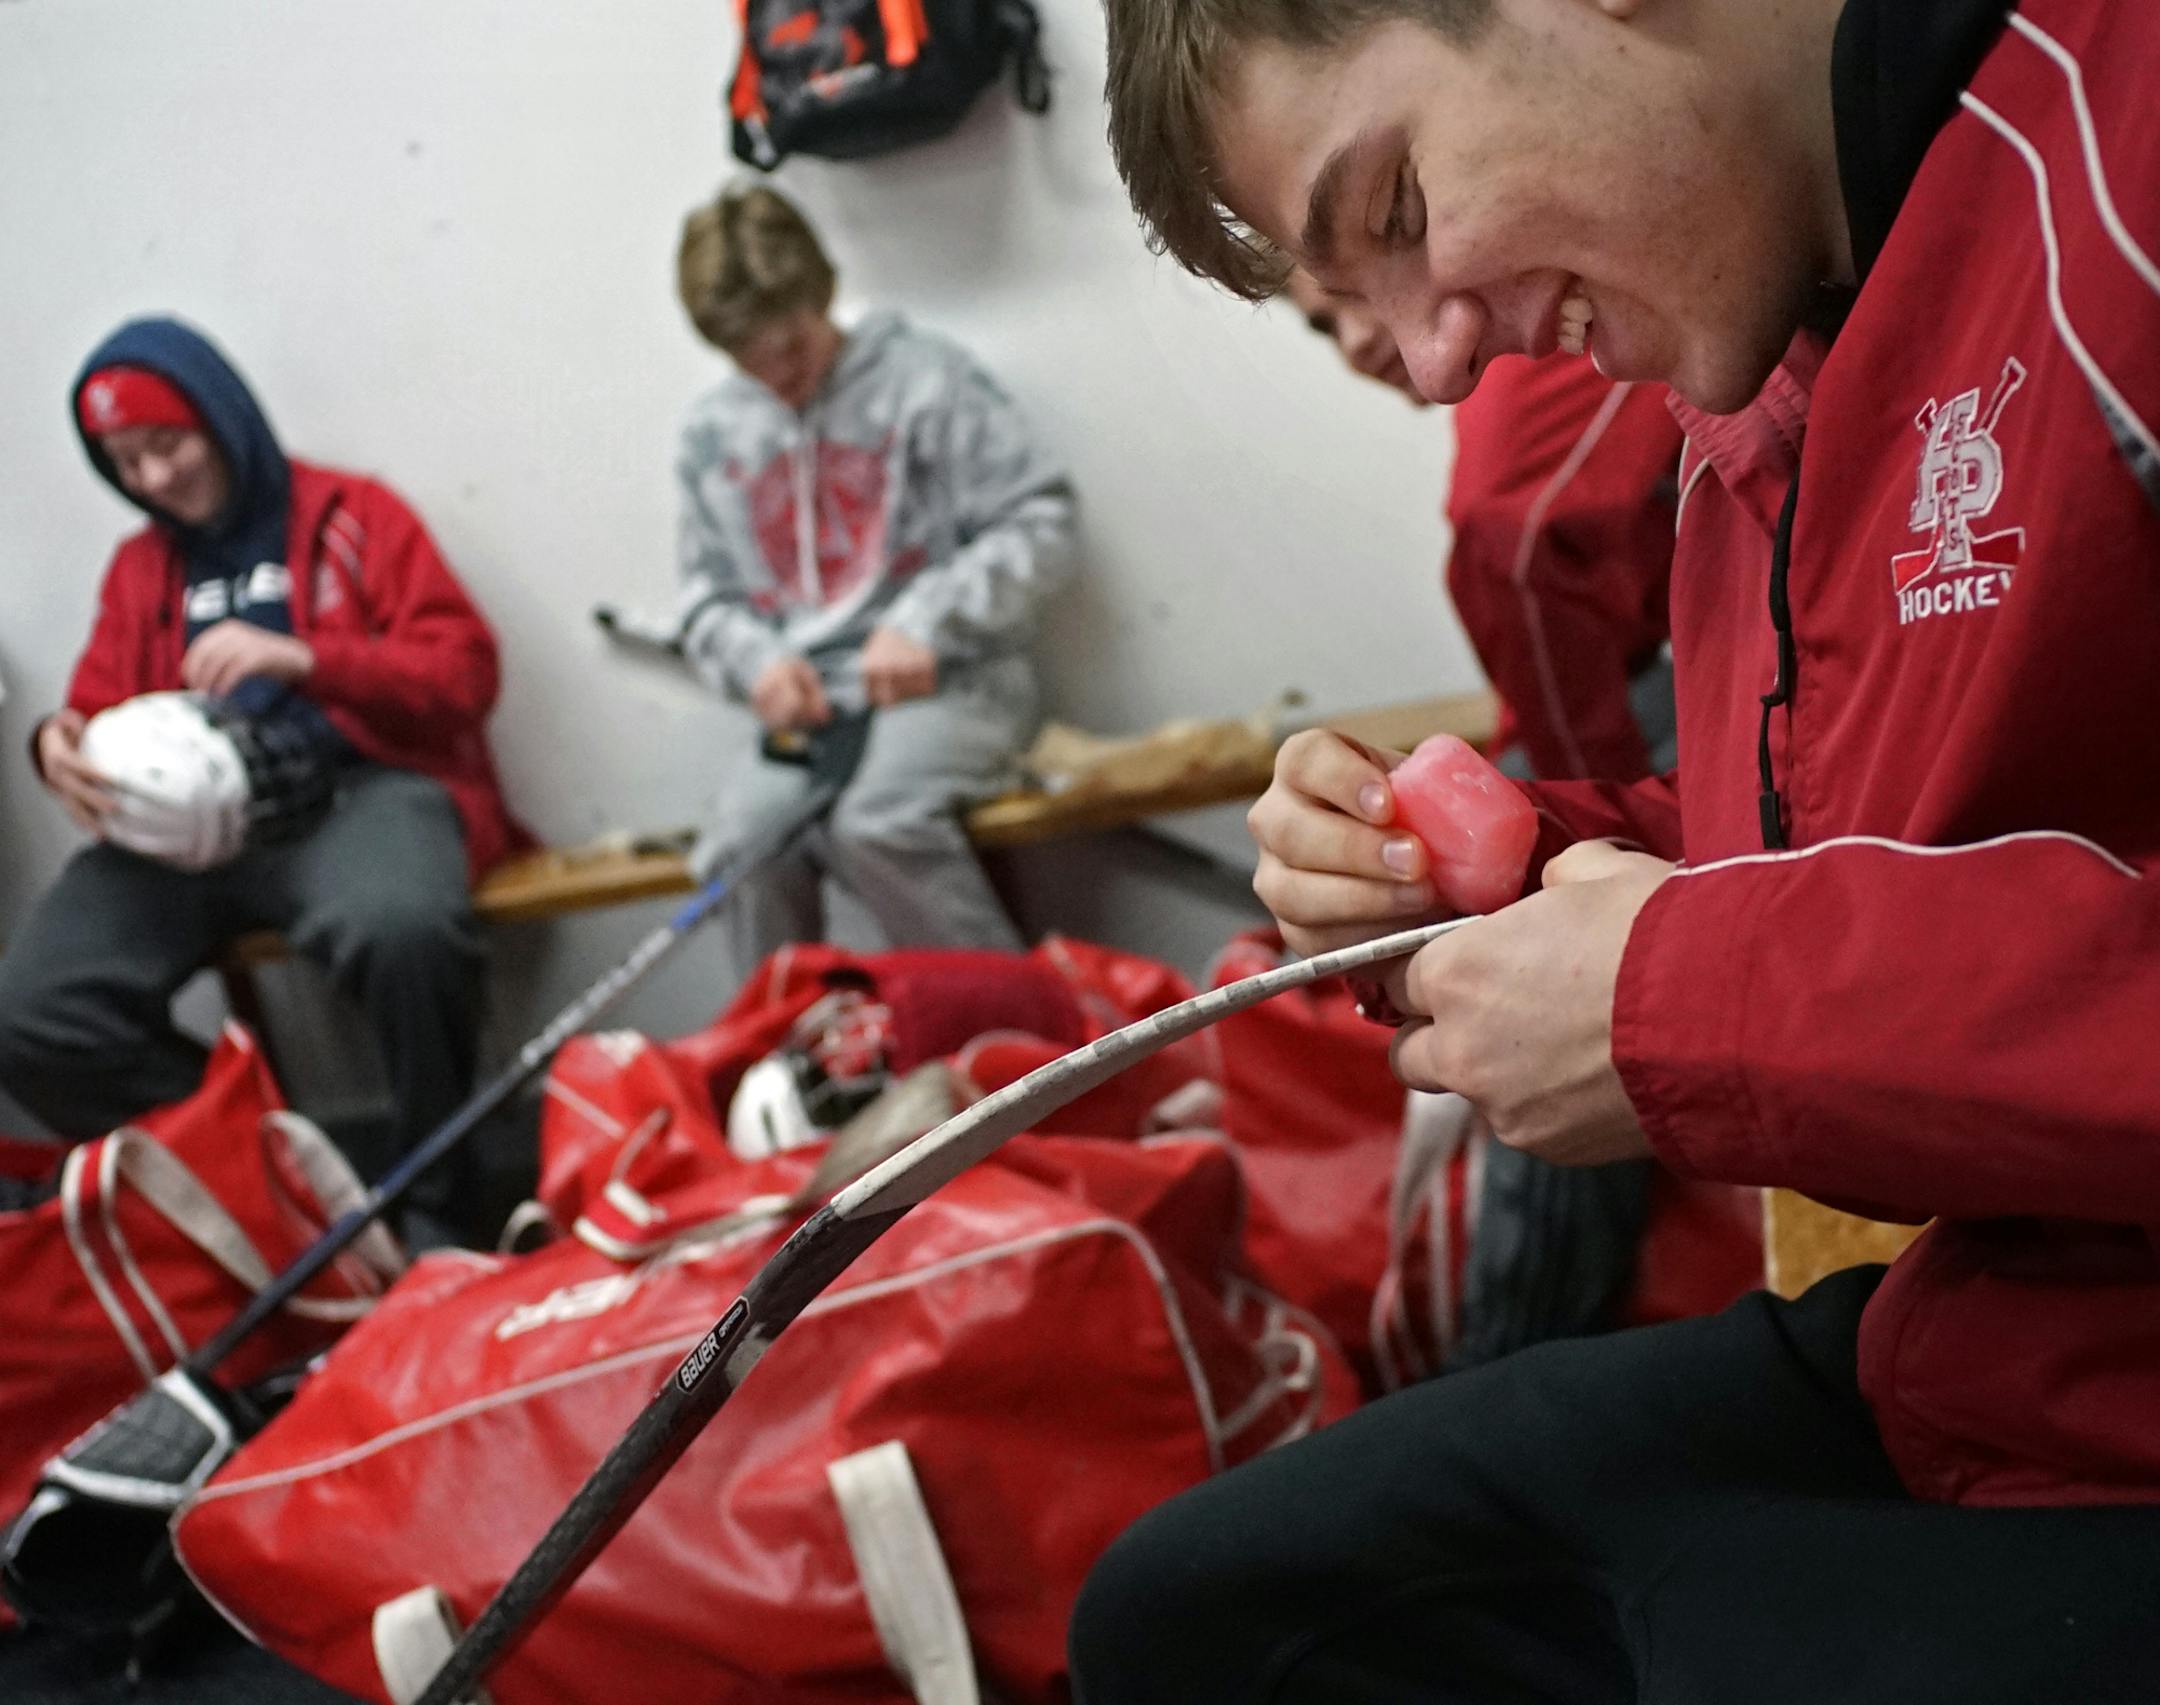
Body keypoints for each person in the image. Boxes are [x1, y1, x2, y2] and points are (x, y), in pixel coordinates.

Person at [1072, 0, 2160, 1699]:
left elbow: (1817, 960)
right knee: (1209, 1613)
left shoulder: (2121, 154)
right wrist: (1494, 882)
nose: (1434, 364)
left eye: (1402, 211)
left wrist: (1688, 1001)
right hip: (2012, 1357)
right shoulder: (1776, 349)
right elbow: (1908, 854)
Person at [0, 317, 527, 1249]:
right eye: (127, 463)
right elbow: (95, 705)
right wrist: (56, 742)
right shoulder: (140, 569)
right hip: (189, 839)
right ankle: (277, 1183)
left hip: (358, 791)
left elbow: (464, 677)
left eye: (168, 443)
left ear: (221, 416)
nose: (155, 479)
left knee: (402, 929)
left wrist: (306, 658)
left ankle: (437, 1207)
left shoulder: (357, 516)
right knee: (33, 1010)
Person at [669, 185, 1076, 985]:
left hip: (954, 678)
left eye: (790, 347)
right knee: (743, 847)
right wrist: (758, 664)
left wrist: (927, 622)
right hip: (817, 711)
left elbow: (1042, 521)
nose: (777, 376)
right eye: (750, 362)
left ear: (819, 296)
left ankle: (1028, 1045)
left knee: (877, 825)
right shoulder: (715, 433)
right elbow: (705, 597)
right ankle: (791, 1061)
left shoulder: (926, 380)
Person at [1284, 266, 1682, 783]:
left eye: (1357, 292)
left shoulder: (1515, 429)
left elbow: (1505, 549)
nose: (1354, 341)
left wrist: (1601, 819)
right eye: (1325, 327)